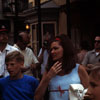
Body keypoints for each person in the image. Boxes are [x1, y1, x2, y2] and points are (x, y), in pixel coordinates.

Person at [34, 34, 89, 100]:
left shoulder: (79, 69)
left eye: (55, 48)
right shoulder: (49, 71)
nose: (52, 52)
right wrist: (48, 77)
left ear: (65, 49)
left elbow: (89, 94)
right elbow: (37, 97)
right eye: (51, 49)